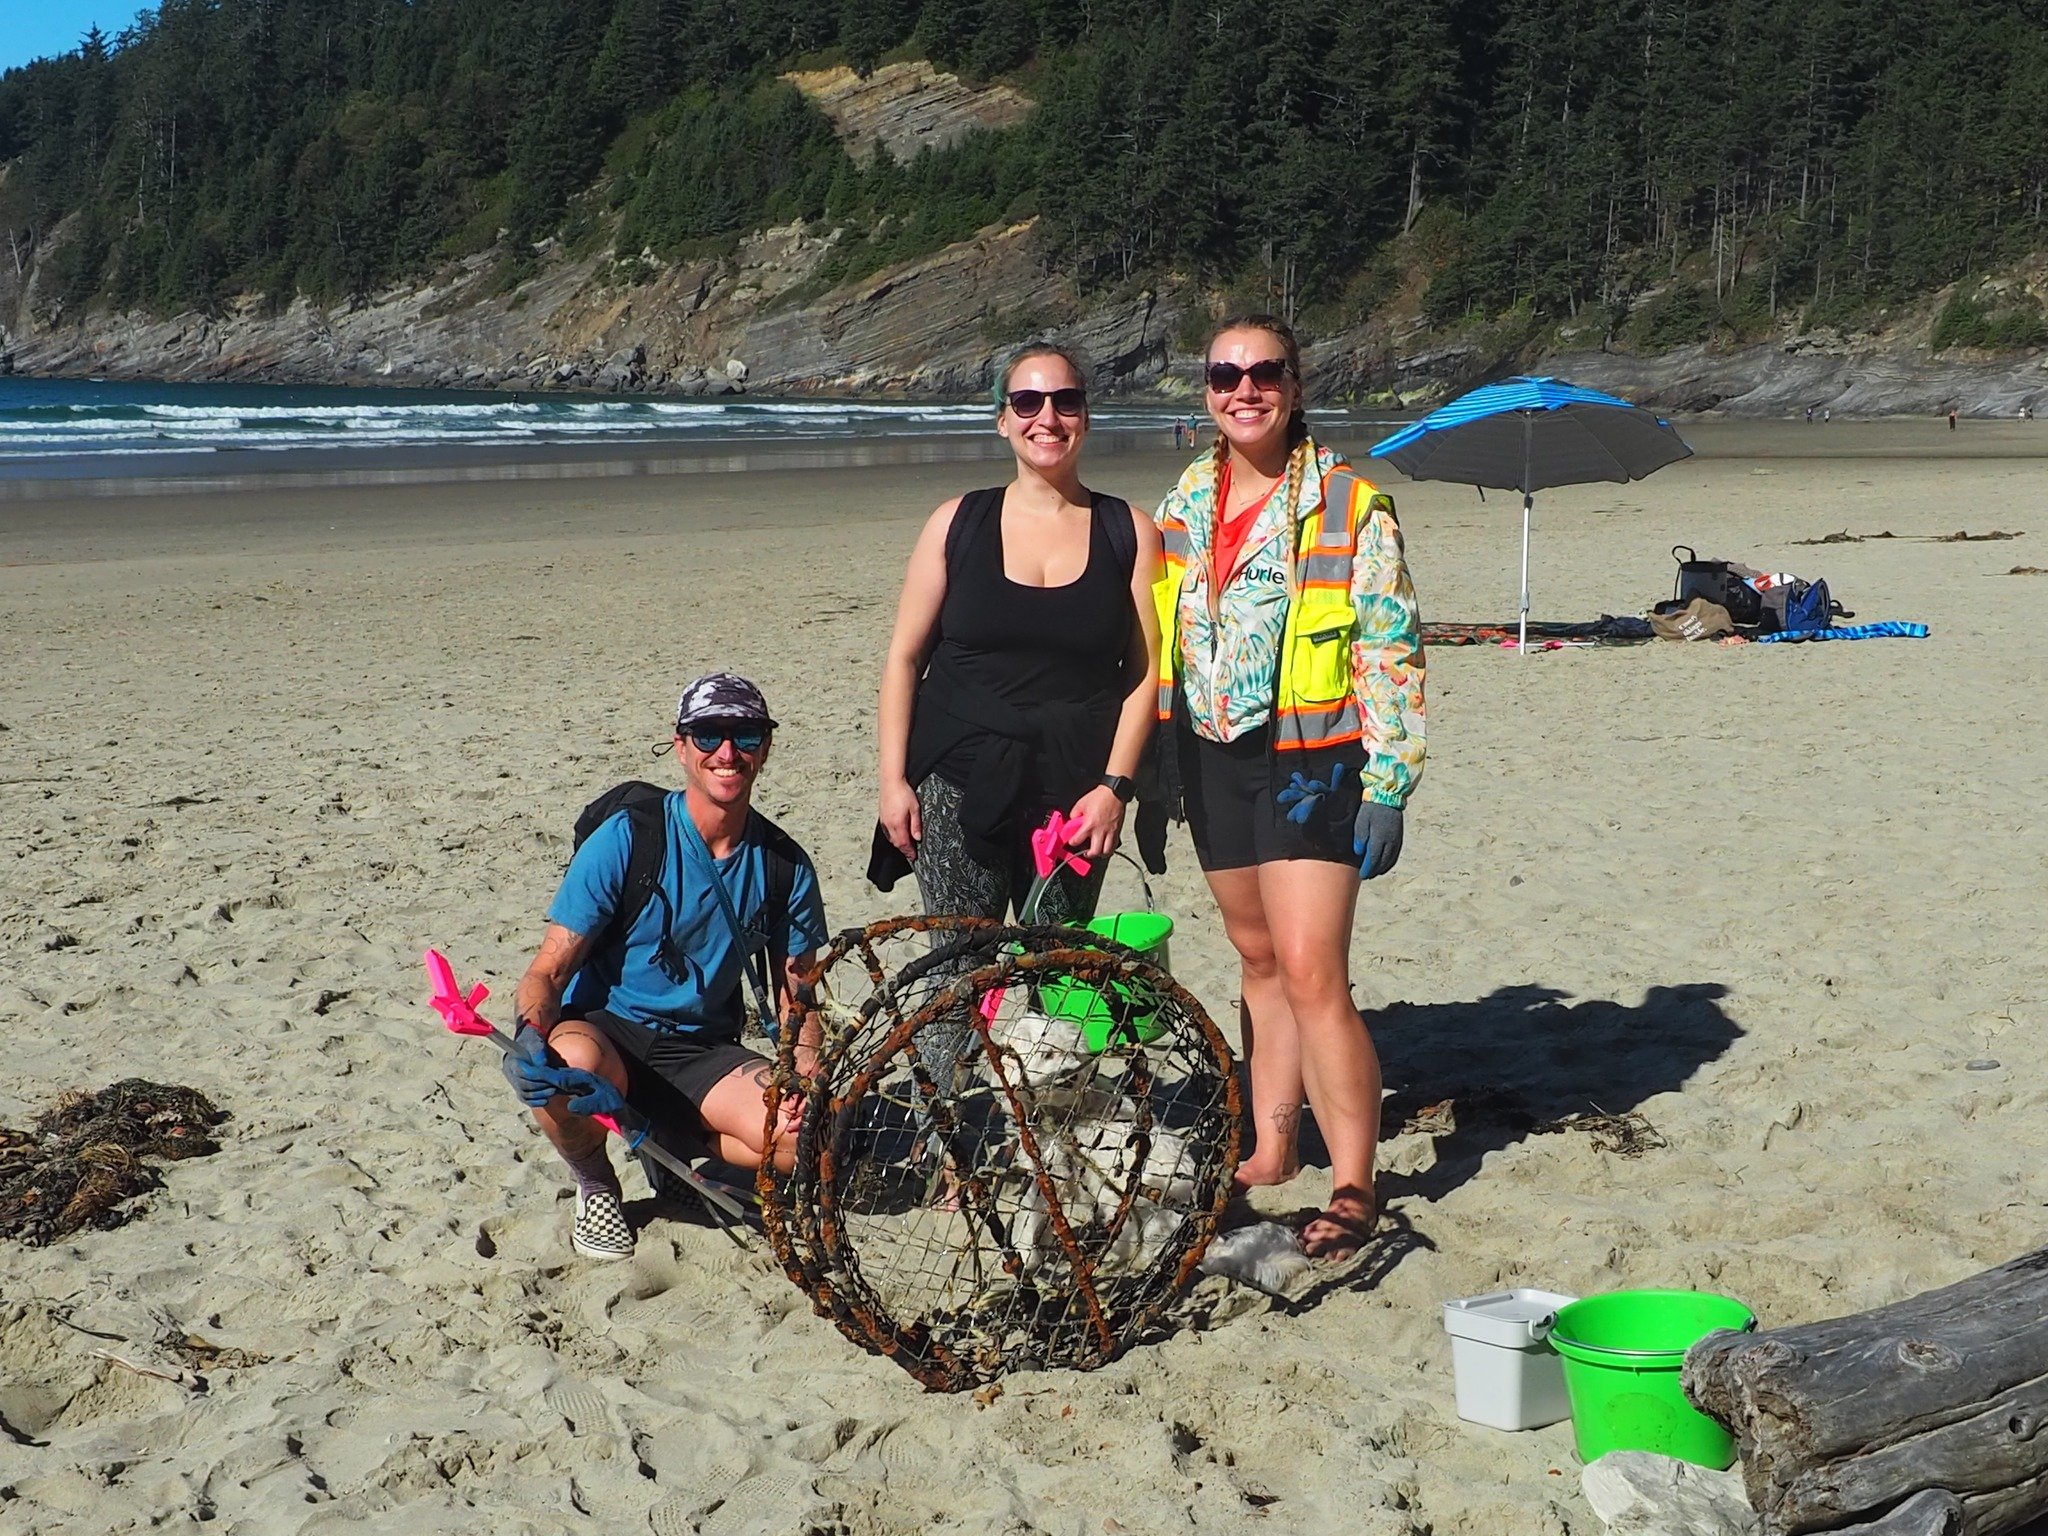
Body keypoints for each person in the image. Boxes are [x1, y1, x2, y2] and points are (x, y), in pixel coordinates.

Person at [1153, 314, 1426, 1260]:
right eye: (1224, 374)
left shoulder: (1350, 505)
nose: (1244, 389)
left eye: (1264, 371)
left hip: (1314, 758)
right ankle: (1273, 1142)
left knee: (1313, 976)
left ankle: (1356, 1184)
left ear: (1296, 385)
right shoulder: (1184, 504)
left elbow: (1392, 649)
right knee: (1258, 960)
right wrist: (1151, 759)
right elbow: (1158, 639)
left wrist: (1389, 782)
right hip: (1210, 757)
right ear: (1206, 391)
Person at [504, 672, 830, 1260]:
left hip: (701, 1046)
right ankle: (597, 1184)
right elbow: (549, 970)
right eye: (708, 735)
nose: (727, 753)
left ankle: (671, 1152)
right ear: (680, 746)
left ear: (766, 746)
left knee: (805, 1133)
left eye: (745, 735)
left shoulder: (785, 866)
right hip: (607, 1029)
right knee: (562, 1064)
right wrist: (529, 1035)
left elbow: (798, 1000)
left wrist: (803, 1079)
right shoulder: (629, 837)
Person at [872, 342, 1163, 928]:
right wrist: (892, 781)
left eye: (1066, 401)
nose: (1047, 418)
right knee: (957, 975)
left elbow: (1148, 672)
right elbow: (904, 659)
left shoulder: (1129, 531)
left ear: (1086, 416)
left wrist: (1115, 789)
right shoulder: (956, 523)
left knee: (1057, 980)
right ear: (1003, 420)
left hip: (1077, 792)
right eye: (1028, 401)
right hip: (955, 781)